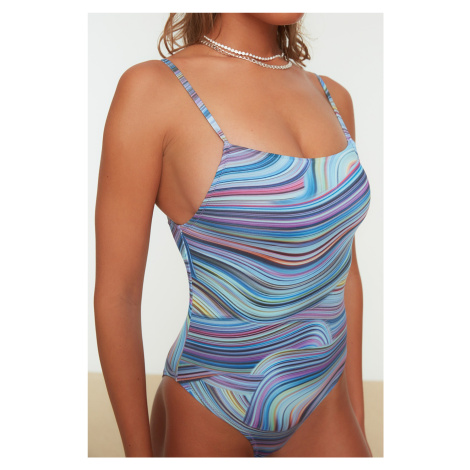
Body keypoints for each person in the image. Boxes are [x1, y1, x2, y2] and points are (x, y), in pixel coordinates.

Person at [94, 12, 372, 458]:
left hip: (326, 402)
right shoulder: (153, 91)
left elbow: (344, 272)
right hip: (212, 405)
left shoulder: (334, 97)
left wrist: (357, 414)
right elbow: (118, 296)